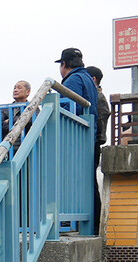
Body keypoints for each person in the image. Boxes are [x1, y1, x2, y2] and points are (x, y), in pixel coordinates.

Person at [56, 47, 100, 232]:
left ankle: (71, 223)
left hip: (76, 140)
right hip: (90, 137)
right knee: (88, 183)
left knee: (69, 181)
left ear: (64, 64)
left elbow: (69, 110)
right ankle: (92, 225)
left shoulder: (73, 79)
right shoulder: (88, 79)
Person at [0, 80, 31, 153]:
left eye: (19, 88)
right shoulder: (6, 108)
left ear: (27, 92)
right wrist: (18, 122)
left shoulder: (32, 107)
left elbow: (30, 122)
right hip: (3, 148)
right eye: (14, 88)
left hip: (22, 149)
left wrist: (9, 121)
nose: (15, 90)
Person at [85, 66, 110, 153]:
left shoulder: (98, 97)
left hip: (94, 142)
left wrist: (97, 138)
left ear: (93, 79)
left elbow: (101, 120)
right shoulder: (97, 96)